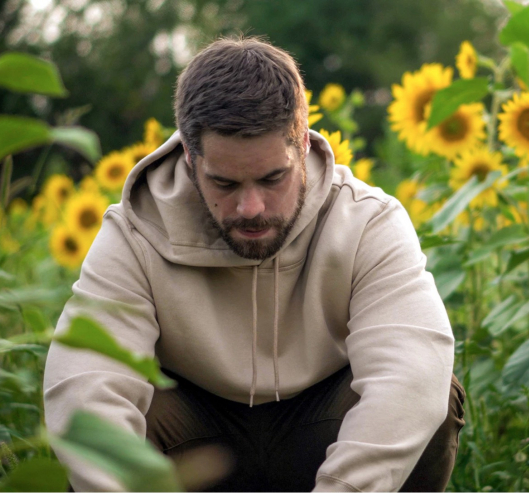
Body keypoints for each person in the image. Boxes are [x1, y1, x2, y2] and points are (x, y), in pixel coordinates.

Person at [44, 36, 465, 492]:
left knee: (434, 396)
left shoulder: (368, 221)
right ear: (189, 155)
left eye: (272, 178)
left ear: (302, 144)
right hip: (192, 447)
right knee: (94, 432)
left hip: (325, 432)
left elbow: (412, 373)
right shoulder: (133, 234)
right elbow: (85, 384)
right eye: (224, 182)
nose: (250, 207)